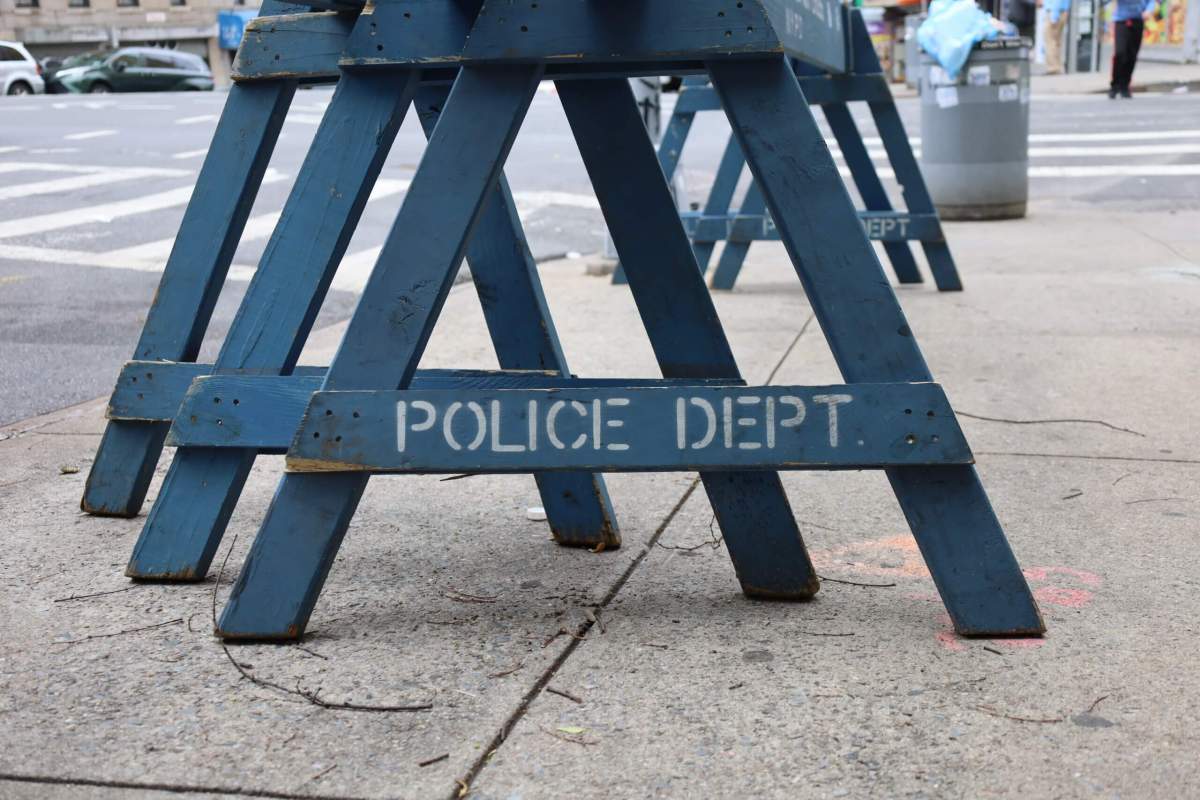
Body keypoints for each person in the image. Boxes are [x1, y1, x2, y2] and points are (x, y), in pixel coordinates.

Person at [1106, 0, 1160, 98]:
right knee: (1120, 53)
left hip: (1138, 20)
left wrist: (1148, 11)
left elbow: (1151, 2)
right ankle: (1115, 85)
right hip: (1121, 21)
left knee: (1132, 55)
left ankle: (1125, 86)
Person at [1043, 0, 1072, 75]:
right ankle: (1057, 66)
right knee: (1056, 41)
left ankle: (1053, 68)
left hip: (1055, 12)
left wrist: (1054, 16)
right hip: (1061, 11)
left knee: (1050, 40)